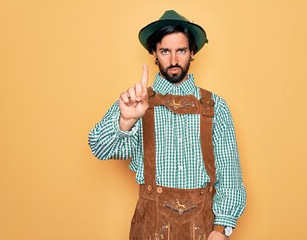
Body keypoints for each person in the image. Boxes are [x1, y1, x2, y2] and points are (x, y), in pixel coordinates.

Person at [88, 10, 246, 240]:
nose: (173, 61)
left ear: (192, 51)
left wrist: (221, 230)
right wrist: (127, 120)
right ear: (154, 52)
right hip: (149, 226)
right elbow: (99, 148)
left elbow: (230, 175)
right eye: (165, 51)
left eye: (181, 50)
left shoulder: (216, 107)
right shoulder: (136, 102)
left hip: (203, 229)